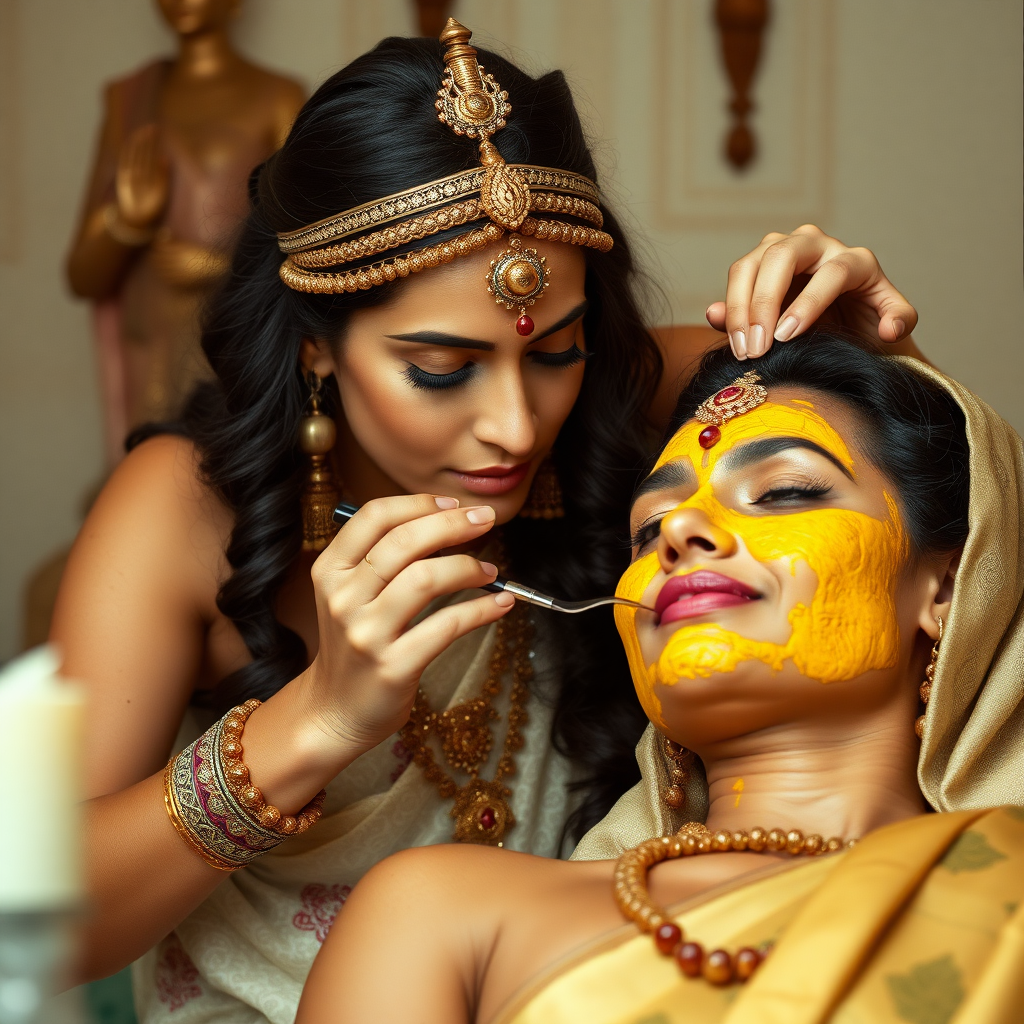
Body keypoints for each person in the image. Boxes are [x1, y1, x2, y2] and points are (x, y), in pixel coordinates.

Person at [53, 20, 922, 1021]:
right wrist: (321, 717)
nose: (515, 424)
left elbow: (896, 456)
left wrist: (856, 324)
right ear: (316, 349)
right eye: (440, 370)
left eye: (555, 349)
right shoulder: (184, 508)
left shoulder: (613, 407)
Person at [297, 334, 1024, 1024]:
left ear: (951, 584)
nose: (680, 532)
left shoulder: (1003, 888)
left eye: (784, 492)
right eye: (649, 530)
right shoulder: (443, 914)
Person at [66, 0, 305, 460]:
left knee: (231, 476)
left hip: (232, 332)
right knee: (151, 475)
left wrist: (221, 266)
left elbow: (308, 242)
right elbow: (82, 276)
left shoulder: (278, 96)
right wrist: (127, 227)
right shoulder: (130, 101)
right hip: (151, 342)